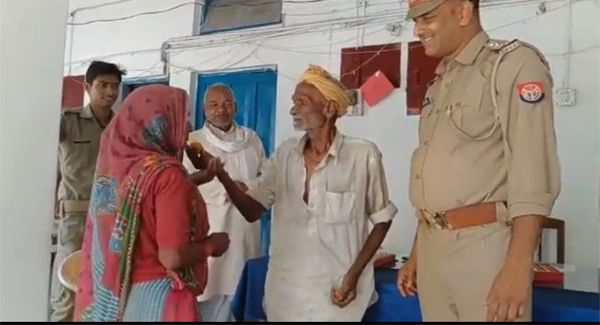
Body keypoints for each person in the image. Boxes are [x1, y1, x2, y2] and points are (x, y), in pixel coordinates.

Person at [396, 0, 561, 322]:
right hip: (432, 247)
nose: (418, 30)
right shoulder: (440, 82)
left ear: (463, 12)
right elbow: (433, 177)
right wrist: (417, 252)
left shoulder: (511, 64)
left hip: (483, 250)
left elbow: (533, 173)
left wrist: (518, 266)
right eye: (416, 20)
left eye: (428, 18)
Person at [209, 65, 398, 321]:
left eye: (302, 102)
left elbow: (382, 219)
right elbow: (253, 210)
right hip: (285, 295)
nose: (293, 110)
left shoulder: (363, 155)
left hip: (338, 294)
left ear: (329, 108)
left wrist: (353, 275)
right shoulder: (285, 155)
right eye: (293, 102)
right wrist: (221, 175)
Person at [72, 85, 230, 322]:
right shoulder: (168, 174)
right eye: (181, 117)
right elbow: (172, 257)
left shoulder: (118, 169)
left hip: (118, 298)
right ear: (160, 123)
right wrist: (212, 245)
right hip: (160, 300)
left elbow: (147, 201)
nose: (186, 127)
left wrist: (199, 177)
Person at [182, 83, 267, 321]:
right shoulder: (193, 143)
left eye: (227, 104)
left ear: (236, 107)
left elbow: (268, 178)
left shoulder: (251, 140)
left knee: (242, 291)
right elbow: (183, 185)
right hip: (212, 228)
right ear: (204, 108)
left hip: (244, 229)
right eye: (214, 104)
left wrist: (247, 189)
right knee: (210, 293)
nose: (222, 109)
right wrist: (224, 191)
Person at [50, 61, 124, 321]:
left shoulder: (123, 128)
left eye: (115, 86)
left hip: (111, 219)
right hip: (75, 218)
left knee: (105, 291)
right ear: (87, 86)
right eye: (103, 85)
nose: (110, 91)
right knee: (67, 292)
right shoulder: (67, 122)